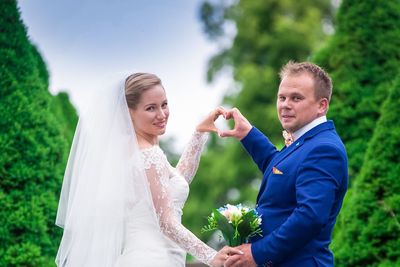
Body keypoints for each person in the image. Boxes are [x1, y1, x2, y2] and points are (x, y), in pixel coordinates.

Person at [55, 73, 241, 267]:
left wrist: (199, 133)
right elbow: (167, 223)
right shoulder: (149, 156)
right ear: (129, 113)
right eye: (151, 108)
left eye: (164, 104)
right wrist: (211, 256)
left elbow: (177, 182)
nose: (162, 114)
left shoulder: (137, 154)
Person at [219, 61, 348, 267]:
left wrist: (257, 254)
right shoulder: (306, 141)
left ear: (321, 105)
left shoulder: (324, 149)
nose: (285, 104)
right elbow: (282, 171)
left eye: (296, 98)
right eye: (282, 97)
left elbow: (309, 217)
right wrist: (248, 134)